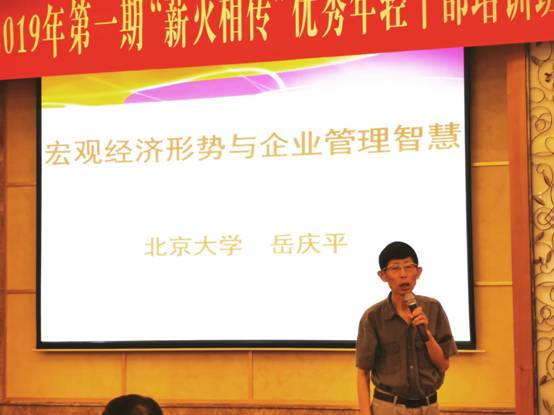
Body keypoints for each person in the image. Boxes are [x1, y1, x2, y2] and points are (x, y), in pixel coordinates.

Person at [356, 241, 457, 415]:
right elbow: (363, 372)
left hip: (429, 406)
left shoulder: (433, 308)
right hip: (388, 406)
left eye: (409, 267)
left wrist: (426, 334)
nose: (403, 274)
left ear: (418, 272)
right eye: (395, 268)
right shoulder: (373, 317)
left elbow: (443, 364)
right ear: (383, 275)